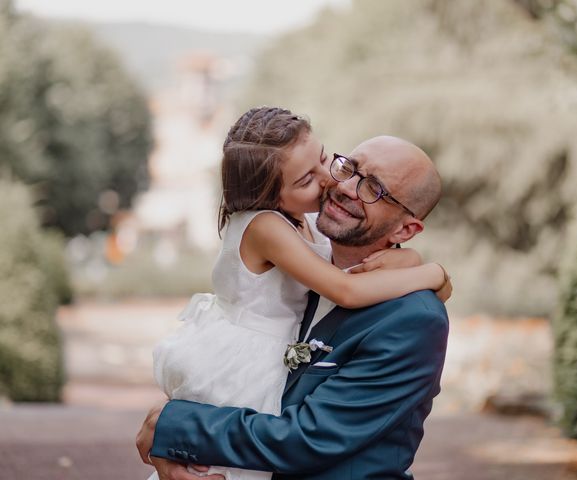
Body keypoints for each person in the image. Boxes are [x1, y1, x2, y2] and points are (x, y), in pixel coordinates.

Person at [145, 107, 450, 480]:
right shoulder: (302, 264)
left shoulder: (412, 320)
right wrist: (174, 447)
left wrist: (174, 427)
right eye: (349, 167)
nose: (342, 186)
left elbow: (310, 438)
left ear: (406, 231)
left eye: (374, 188)